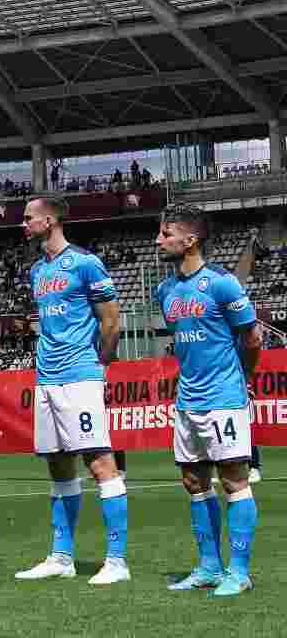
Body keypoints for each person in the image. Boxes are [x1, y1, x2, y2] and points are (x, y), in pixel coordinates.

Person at [16, 195, 129, 585]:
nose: (23, 223)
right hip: (47, 378)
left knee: (100, 463)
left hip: (79, 376)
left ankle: (117, 560)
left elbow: (112, 320)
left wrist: (100, 365)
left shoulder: (85, 262)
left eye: (28, 217)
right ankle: (61, 556)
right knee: (58, 464)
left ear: (49, 221)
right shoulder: (37, 271)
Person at [155, 205, 261, 596]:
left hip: (223, 398)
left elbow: (252, 338)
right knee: (193, 480)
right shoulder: (164, 290)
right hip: (187, 401)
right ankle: (209, 567)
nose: (159, 240)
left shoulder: (222, 284)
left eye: (167, 234)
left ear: (191, 239)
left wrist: (243, 378)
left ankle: (241, 571)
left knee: (234, 481)